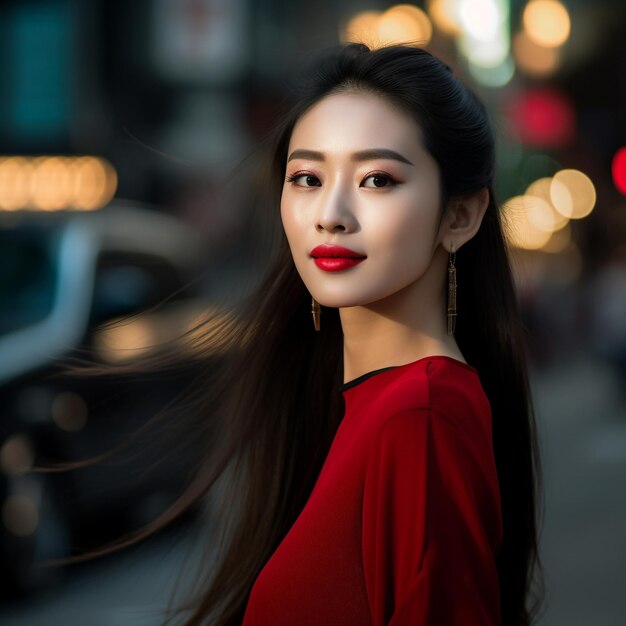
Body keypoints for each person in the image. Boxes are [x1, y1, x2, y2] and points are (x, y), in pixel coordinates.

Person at [45, 43, 544, 626]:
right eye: (307, 177)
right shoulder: (368, 406)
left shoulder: (420, 416)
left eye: (378, 179)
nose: (330, 212)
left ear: (459, 216)